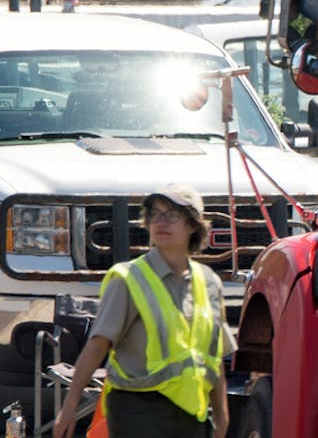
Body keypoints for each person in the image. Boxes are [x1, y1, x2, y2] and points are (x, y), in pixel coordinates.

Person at [55, 183, 234, 438]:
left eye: (171, 214)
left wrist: (222, 415)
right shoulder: (129, 278)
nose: (160, 222)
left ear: (192, 225)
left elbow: (214, 357)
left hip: (192, 413)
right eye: (154, 214)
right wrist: (70, 405)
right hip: (138, 411)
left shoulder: (208, 283)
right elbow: (97, 345)